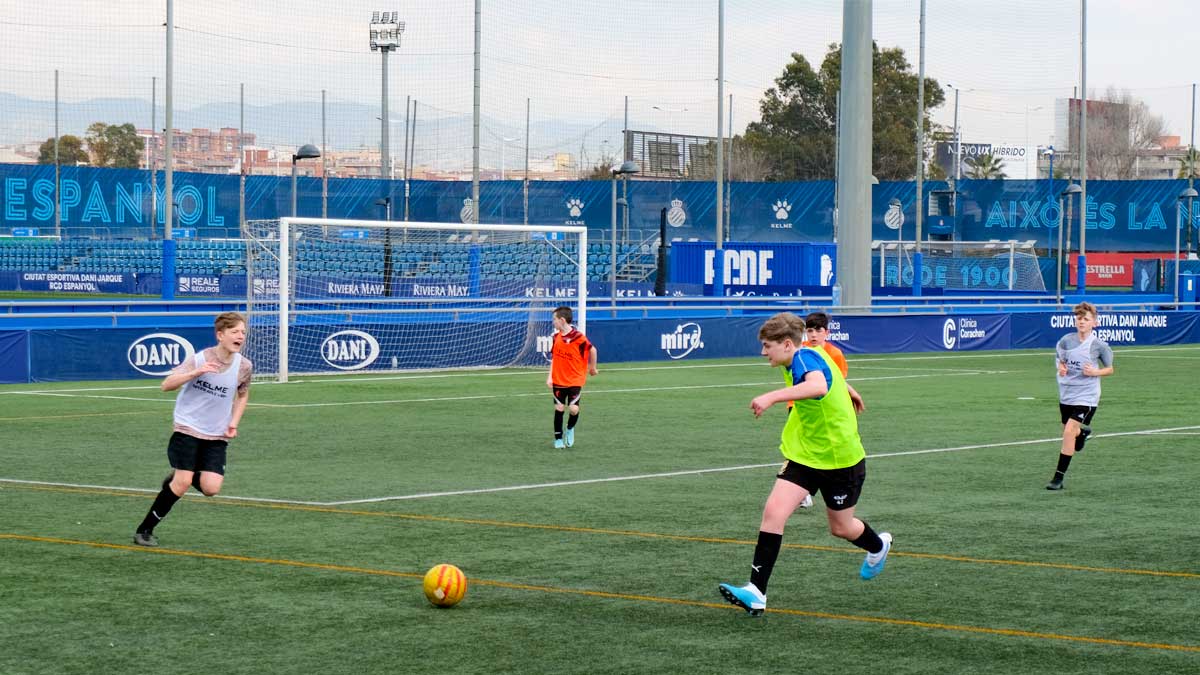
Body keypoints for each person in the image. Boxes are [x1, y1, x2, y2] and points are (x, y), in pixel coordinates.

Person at [718, 312, 890, 616]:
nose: (762, 352)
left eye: (767, 346)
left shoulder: (804, 359)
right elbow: (829, 378)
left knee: (841, 527)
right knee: (773, 511)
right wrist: (850, 390)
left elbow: (818, 386)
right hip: (805, 455)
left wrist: (771, 397)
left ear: (786, 344)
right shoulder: (805, 356)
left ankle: (877, 546)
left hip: (840, 460)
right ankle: (756, 591)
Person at [133, 312, 253, 546]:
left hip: (217, 434)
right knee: (183, 482)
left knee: (211, 488)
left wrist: (233, 422)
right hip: (187, 427)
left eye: (243, 333)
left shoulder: (244, 366)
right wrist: (195, 373)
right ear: (220, 335)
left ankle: (178, 478)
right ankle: (144, 530)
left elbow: (243, 394)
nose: (241, 336)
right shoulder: (199, 359)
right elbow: (166, 385)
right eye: (235, 332)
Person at [1047, 301, 1113, 490]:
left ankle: (1058, 478)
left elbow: (1109, 369)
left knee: (1068, 432)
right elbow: (1059, 359)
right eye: (1079, 318)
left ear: (1094, 323)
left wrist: (1095, 372)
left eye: (1086, 319)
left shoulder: (1099, 346)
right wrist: (1061, 368)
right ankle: (1082, 433)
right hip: (1067, 392)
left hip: (1087, 396)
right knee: (1069, 432)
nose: (1081, 322)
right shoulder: (1066, 341)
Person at [546, 306, 598, 449]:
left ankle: (569, 428)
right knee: (560, 407)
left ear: (562, 320)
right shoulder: (556, 337)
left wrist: (592, 367)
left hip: (575, 379)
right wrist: (550, 376)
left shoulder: (578, 337)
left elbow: (592, 350)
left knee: (574, 409)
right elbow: (555, 358)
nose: (553, 323)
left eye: (554, 320)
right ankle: (558, 439)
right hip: (559, 379)